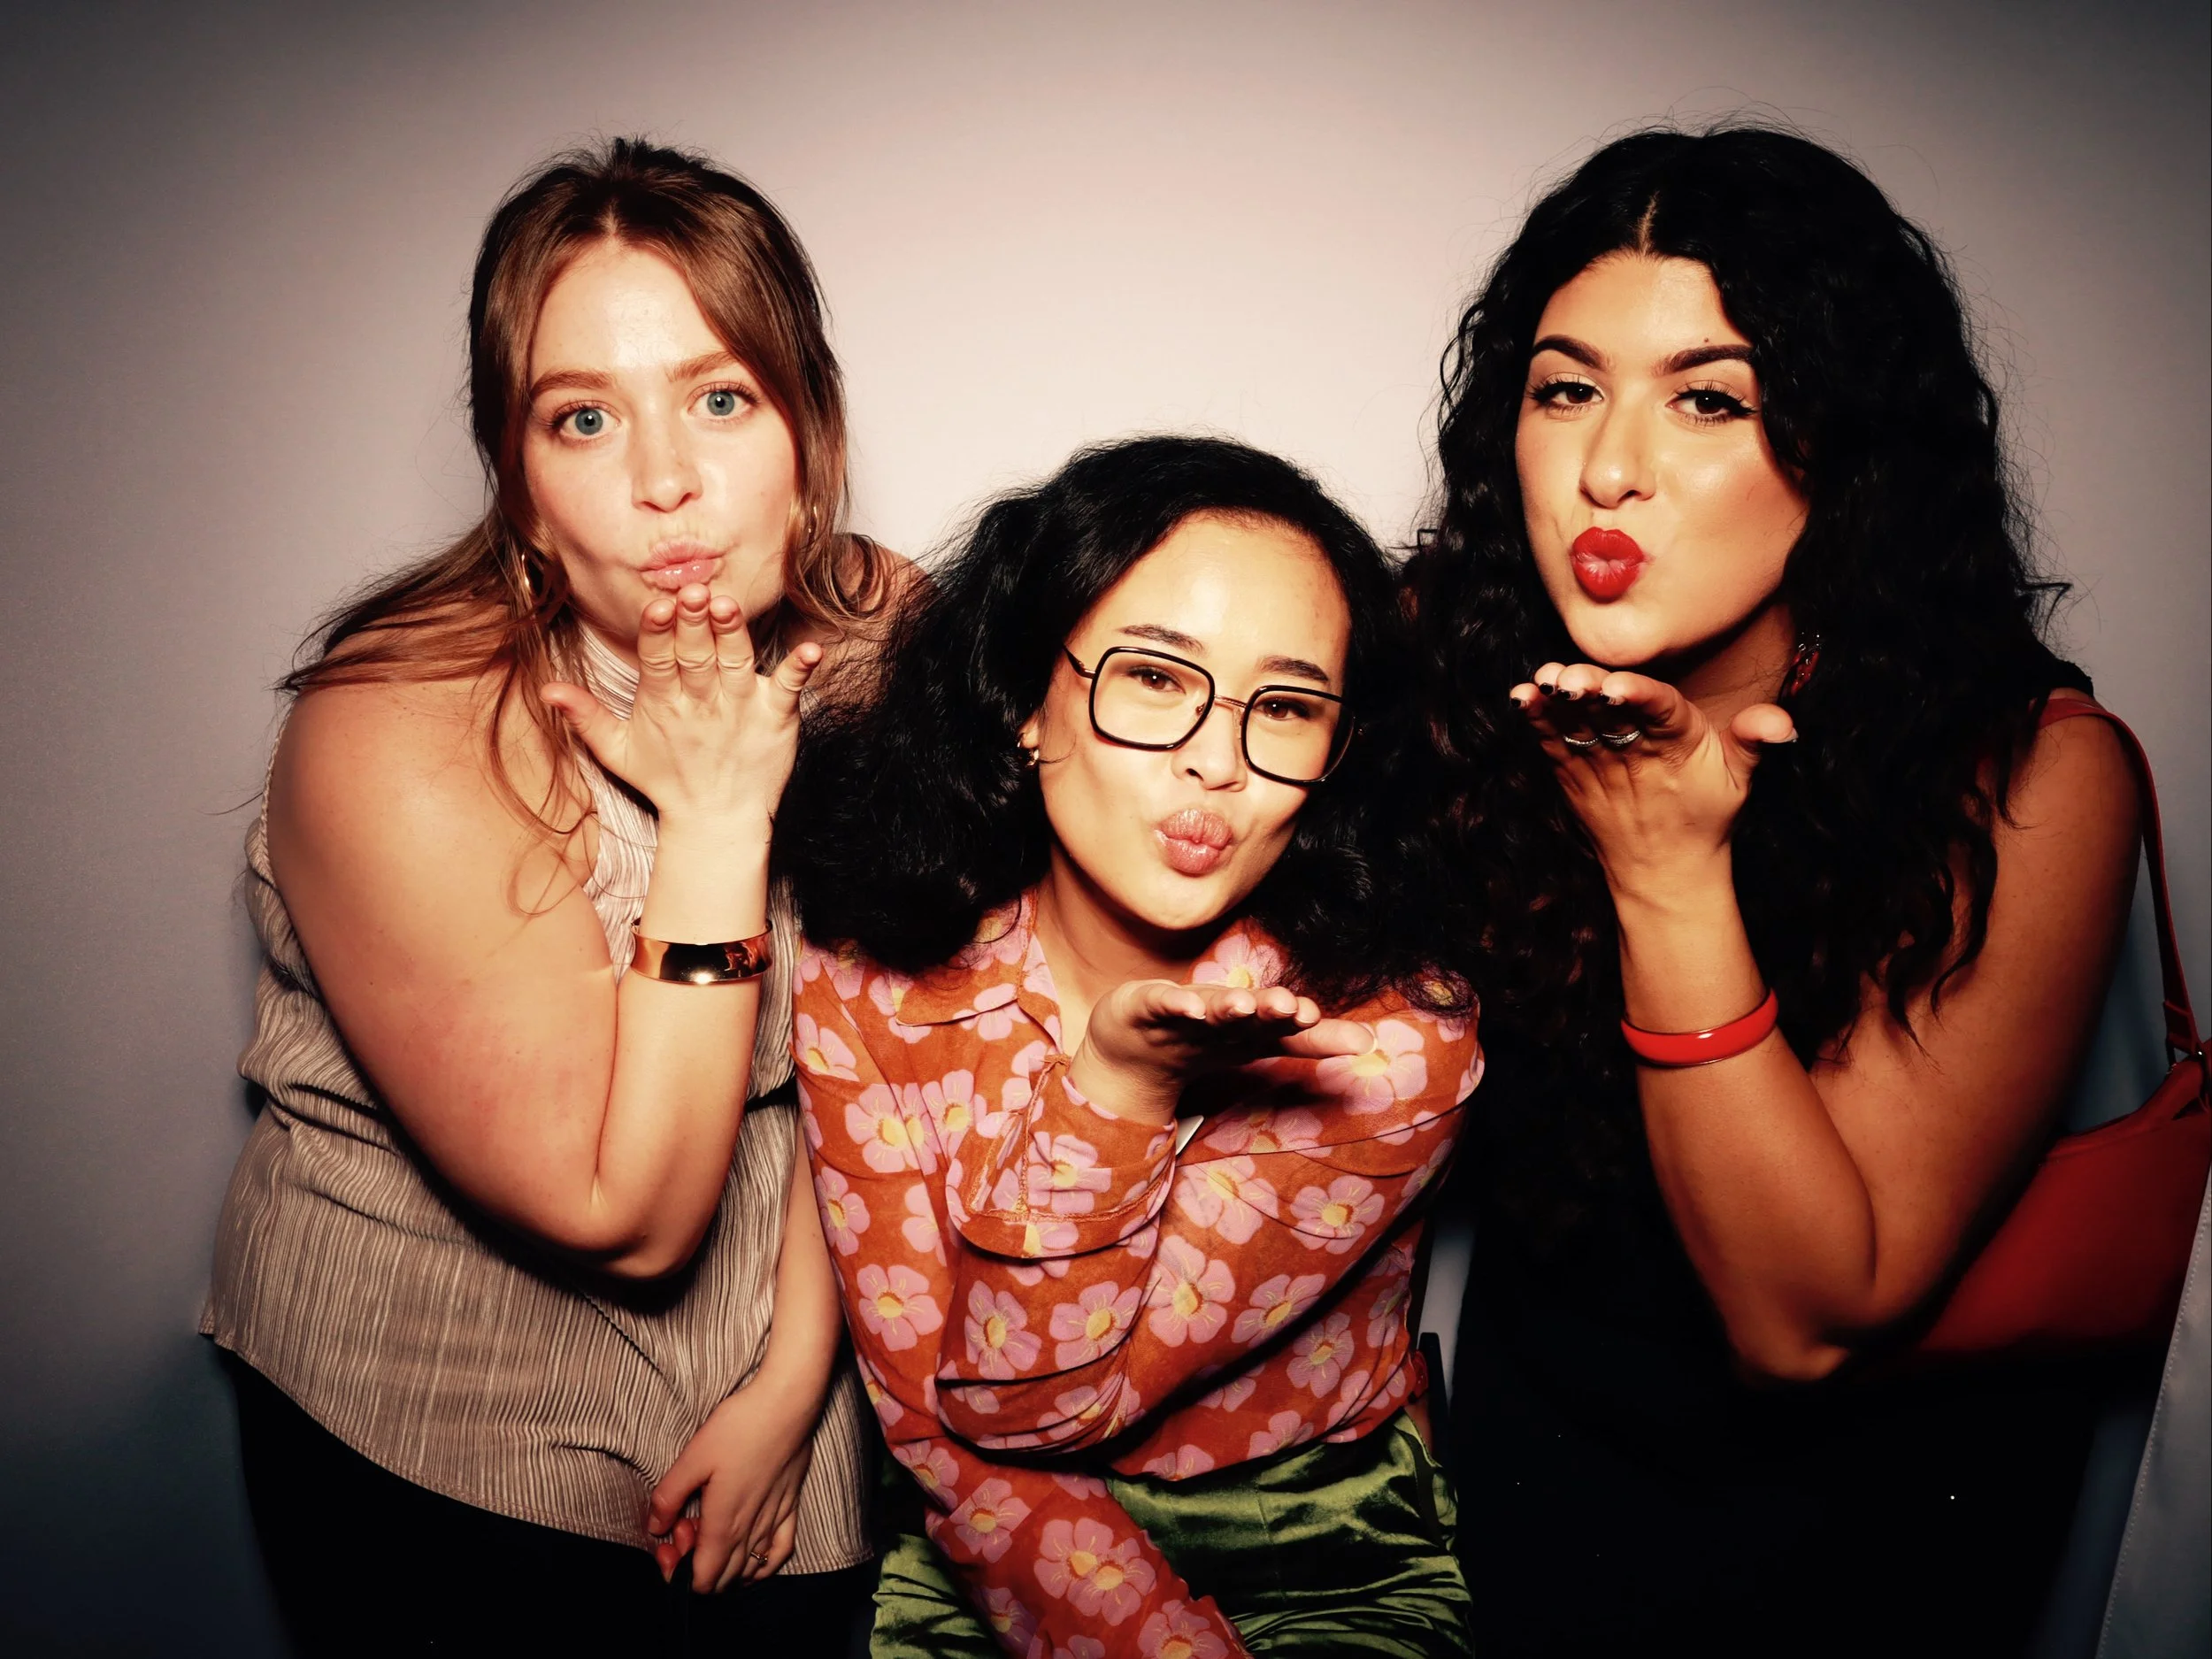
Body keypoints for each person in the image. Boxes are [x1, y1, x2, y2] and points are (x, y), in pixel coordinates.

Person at [1402, 126, 2144, 1657]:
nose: (1613, 464)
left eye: (1708, 398)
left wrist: (1666, 869)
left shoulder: (2029, 775)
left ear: (1845, 446)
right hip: (1522, 1527)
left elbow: (1804, 1316)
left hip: (1868, 1566)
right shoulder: (1450, 678)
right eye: (1565, 388)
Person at [203, 138, 897, 1655]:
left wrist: (792, 1382)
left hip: (792, 1383)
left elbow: (913, 1050)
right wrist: (719, 824)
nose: (667, 482)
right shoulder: (392, 728)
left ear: (810, 423)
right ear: (518, 483)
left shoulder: (885, 636)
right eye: (584, 418)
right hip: (447, 1425)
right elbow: (626, 1213)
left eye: (721, 397)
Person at [774, 436, 1480, 1655]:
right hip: (969, 1532)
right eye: (1156, 678)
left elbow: (1037, 1405)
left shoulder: (1389, 1044)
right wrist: (1117, 1091)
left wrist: (1117, 1093)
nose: (1218, 760)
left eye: (1290, 705)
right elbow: (964, 1445)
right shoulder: (865, 982)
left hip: (1319, 1541)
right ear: (1024, 704)